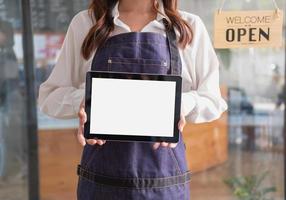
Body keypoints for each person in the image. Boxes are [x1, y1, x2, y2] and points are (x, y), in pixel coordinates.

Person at [38, 0, 228, 199]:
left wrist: (179, 104)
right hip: (101, 182)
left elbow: (213, 100)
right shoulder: (85, 24)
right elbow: (49, 96)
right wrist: (86, 99)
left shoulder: (188, 26)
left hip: (164, 183)